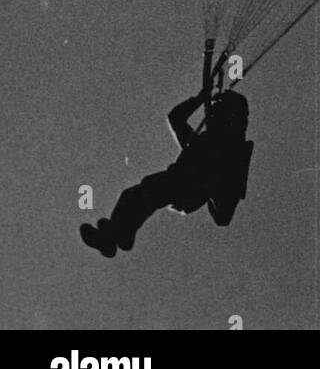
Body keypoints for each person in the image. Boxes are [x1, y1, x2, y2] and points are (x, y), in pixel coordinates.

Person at [80, 82, 253, 256]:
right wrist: (201, 98)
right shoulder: (205, 146)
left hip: (188, 187)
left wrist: (212, 188)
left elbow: (223, 216)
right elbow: (176, 117)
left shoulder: (225, 153)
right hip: (184, 184)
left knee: (141, 195)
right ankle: (116, 235)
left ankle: (116, 235)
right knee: (140, 195)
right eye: (216, 111)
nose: (214, 115)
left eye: (219, 111)